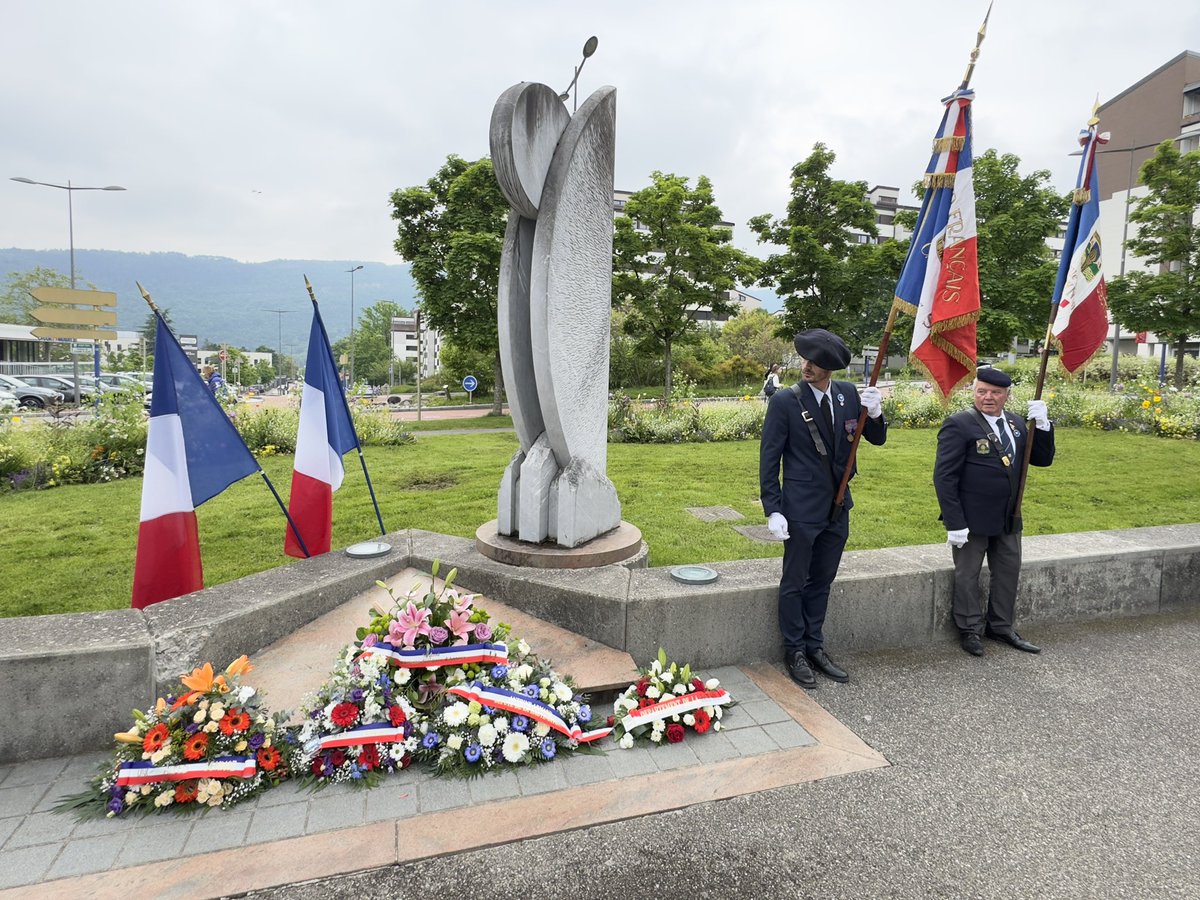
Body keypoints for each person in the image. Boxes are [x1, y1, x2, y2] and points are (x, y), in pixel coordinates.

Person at [759, 329, 887, 688]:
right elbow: (769, 458)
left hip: (838, 506)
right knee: (795, 581)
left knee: (822, 581)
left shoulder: (848, 394)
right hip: (800, 508)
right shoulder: (786, 401)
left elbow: (876, 438)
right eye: (806, 359)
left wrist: (876, 413)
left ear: (830, 368)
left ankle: (814, 646)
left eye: (816, 362)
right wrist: (773, 508)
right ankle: (795, 650)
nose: (807, 366)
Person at [933, 367, 1054, 657]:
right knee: (967, 575)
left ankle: (1001, 626)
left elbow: (1041, 459)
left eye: (996, 392)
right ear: (974, 392)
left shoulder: (1015, 423)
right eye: (982, 391)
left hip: (1008, 516)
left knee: (1008, 571)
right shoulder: (959, 424)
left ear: (1006, 395)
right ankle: (969, 629)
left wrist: (1044, 426)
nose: (988, 397)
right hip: (971, 518)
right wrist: (954, 522)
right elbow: (944, 477)